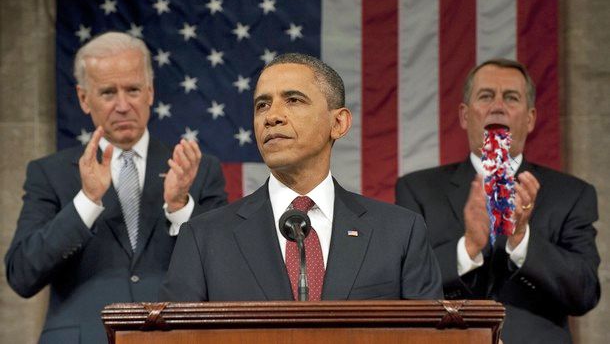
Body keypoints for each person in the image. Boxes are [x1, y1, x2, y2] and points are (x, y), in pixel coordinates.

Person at [161, 53, 442, 302]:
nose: (272, 117)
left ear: (338, 123)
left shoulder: (399, 233)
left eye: (293, 100)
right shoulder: (204, 239)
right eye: (262, 105)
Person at [4, 32, 227, 343]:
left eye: (133, 90)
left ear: (150, 92)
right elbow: (22, 275)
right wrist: (87, 201)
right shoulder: (49, 173)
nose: (123, 105)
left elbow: (226, 273)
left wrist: (179, 206)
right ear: (84, 98)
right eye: (108, 92)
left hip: (175, 338)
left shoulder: (198, 170)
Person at [395, 59, 600, 343]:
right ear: (465, 116)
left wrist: (521, 240)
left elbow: (585, 293)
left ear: (530, 119)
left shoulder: (572, 194)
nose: (498, 106)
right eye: (486, 95)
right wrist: (467, 248)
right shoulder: (418, 189)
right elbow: (404, 286)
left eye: (511, 98)